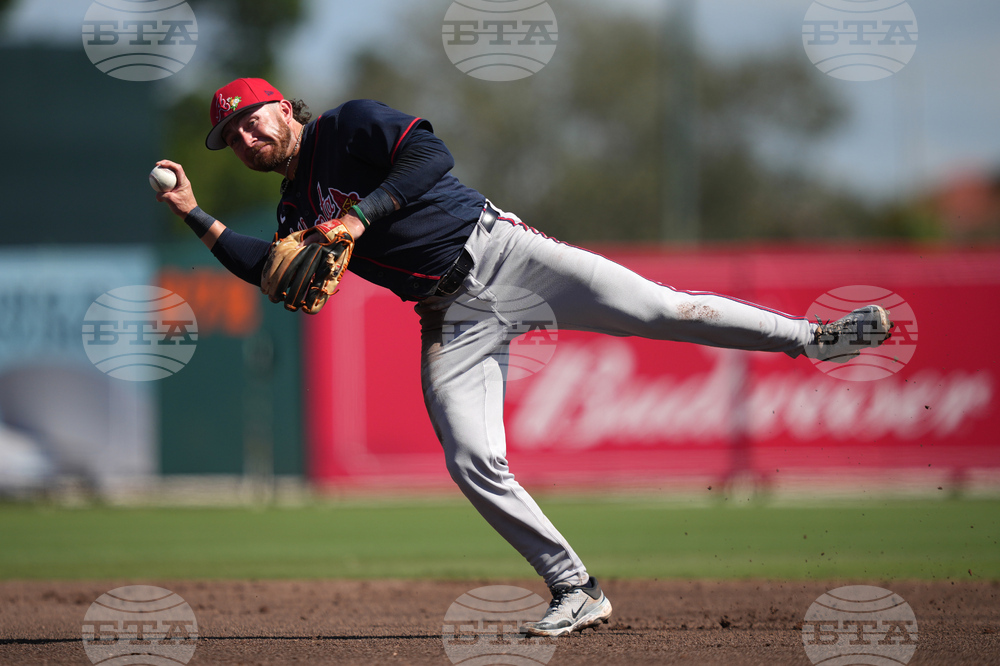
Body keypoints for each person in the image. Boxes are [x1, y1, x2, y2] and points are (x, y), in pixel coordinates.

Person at [156, 77, 893, 637]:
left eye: (251, 120)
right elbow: (268, 270)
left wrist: (359, 216)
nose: (246, 138)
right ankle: (575, 588)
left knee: (662, 309)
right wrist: (194, 213)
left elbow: (430, 157)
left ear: (284, 107)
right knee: (470, 458)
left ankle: (815, 339)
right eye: (232, 137)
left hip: (505, 254)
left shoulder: (348, 124)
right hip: (450, 316)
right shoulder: (292, 212)